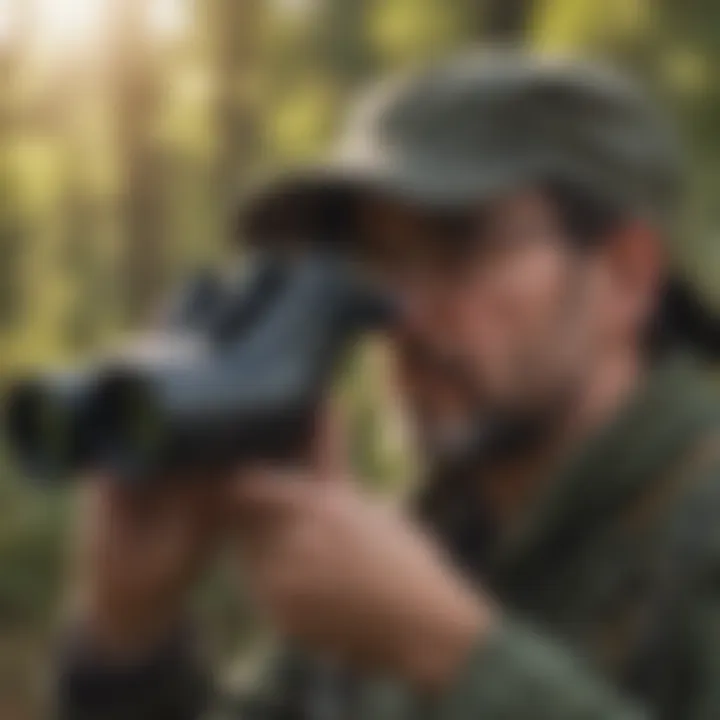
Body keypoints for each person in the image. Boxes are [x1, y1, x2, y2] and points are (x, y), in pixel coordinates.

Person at [57, 49, 720, 720]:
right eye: (375, 260)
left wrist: (451, 654)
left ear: (627, 276)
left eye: (457, 246)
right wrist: (129, 642)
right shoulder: (430, 540)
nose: (399, 310)